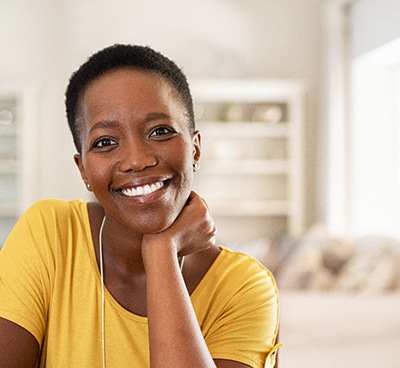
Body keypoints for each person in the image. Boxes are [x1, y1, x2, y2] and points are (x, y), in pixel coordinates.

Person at [0, 44, 281, 368]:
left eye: (160, 131)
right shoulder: (50, 233)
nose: (137, 160)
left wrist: (162, 252)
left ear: (196, 150)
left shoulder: (244, 287)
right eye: (105, 142)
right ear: (84, 171)